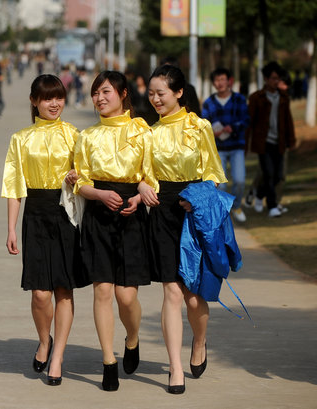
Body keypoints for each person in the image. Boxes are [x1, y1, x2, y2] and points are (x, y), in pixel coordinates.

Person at [138, 64, 226, 394]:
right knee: (171, 292)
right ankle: (175, 368)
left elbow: (214, 174)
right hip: (160, 212)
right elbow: (141, 172)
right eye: (151, 94)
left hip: (193, 214)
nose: (155, 99)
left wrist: (197, 199)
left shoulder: (199, 126)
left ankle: (200, 341)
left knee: (193, 297)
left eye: (161, 93)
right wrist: (144, 186)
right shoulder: (148, 132)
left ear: (178, 93)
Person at [1, 74, 87, 386]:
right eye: (47, 98)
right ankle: (44, 340)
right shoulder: (20, 138)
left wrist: (79, 177)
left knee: (64, 288)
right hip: (35, 214)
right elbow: (14, 186)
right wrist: (11, 228)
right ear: (34, 101)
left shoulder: (75, 134)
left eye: (59, 97)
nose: (54, 104)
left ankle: (58, 357)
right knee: (40, 293)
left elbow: (89, 176)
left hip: (66, 213)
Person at [73, 71, 153, 391]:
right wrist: (99, 194)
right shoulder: (87, 136)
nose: (99, 98)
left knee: (126, 296)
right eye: (95, 93)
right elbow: (80, 181)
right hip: (98, 213)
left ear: (122, 94)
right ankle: (108, 362)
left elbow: (152, 173)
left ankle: (132, 338)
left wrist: (138, 195)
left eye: (105, 92)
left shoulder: (142, 130)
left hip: (132, 212)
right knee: (102, 291)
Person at [246, 61, 296, 218]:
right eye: (273, 78)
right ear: (266, 79)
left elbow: (288, 119)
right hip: (263, 143)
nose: (276, 81)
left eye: (278, 78)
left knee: (278, 175)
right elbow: (250, 122)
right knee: (268, 173)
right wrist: (245, 143)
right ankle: (272, 206)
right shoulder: (256, 98)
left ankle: (259, 194)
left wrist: (291, 139)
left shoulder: (283, 97)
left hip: (279, 142)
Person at [201, 68, 250, 223]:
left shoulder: (239, 99)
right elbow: (204, 124)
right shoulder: (209, 103)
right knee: (220, 184)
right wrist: (211, 133)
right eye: (216, 80)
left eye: (222, 79)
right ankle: (224, 212)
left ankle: (236, 206)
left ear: (230, 81)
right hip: (218, 149)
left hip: (236, 146)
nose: (219, 83)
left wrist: (233, 127)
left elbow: (246, 120)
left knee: (240, 180)